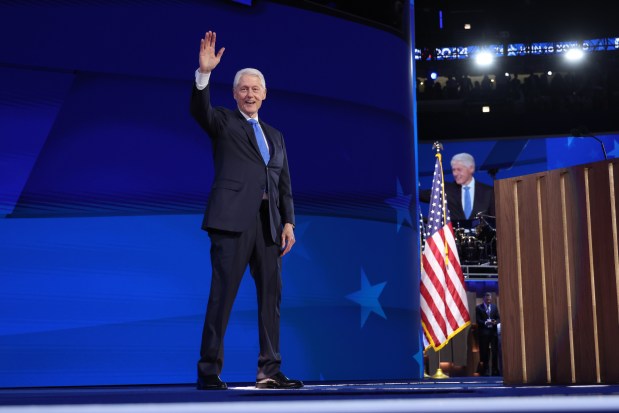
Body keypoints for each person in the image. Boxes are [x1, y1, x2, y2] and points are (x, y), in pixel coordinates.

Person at [189, 31, 302, 390]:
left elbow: (283, 181)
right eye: (244, 89)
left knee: (272, 298)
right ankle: (209, 370)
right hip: (232, 221)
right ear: (235, 93)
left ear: (264, 94)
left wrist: (288, 222)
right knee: (222, 296)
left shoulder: (276, 134)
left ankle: (269, 370)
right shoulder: (222, 121)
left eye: (256, 89)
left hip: (270, 226)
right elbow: (199, 110)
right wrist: (204, 74)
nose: (250, 94)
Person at [420, 152, 494, 225]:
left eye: (459, 169)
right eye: (453, 170)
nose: (455, 173)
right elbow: (421, 195)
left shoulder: (488, 192)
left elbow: (494, 220)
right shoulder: (445, 189)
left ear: (471, 168)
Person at [476, 292, 500, 376]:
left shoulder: (494, 307)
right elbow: (478, 320)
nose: (489, 301)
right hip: (484, 334)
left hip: (493, 334)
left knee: (494, 352)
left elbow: (498, 318)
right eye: (487, 300)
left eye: (490, 299)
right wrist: (485, 322)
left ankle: (495, 370)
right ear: (484, 299)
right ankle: (485, 370)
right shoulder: (479, 308)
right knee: (484, 353)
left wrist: (495, 322)